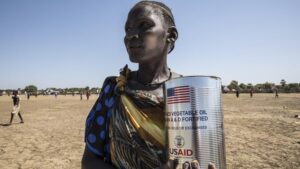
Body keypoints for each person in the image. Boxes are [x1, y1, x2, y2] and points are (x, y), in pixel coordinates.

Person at [82, 1, 215, 169]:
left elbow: (202, 157)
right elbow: (89, 161)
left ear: (171, 35)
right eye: (127, 29)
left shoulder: (188, 92)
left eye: (144, 25)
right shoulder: (114, 89)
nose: (131, 35)